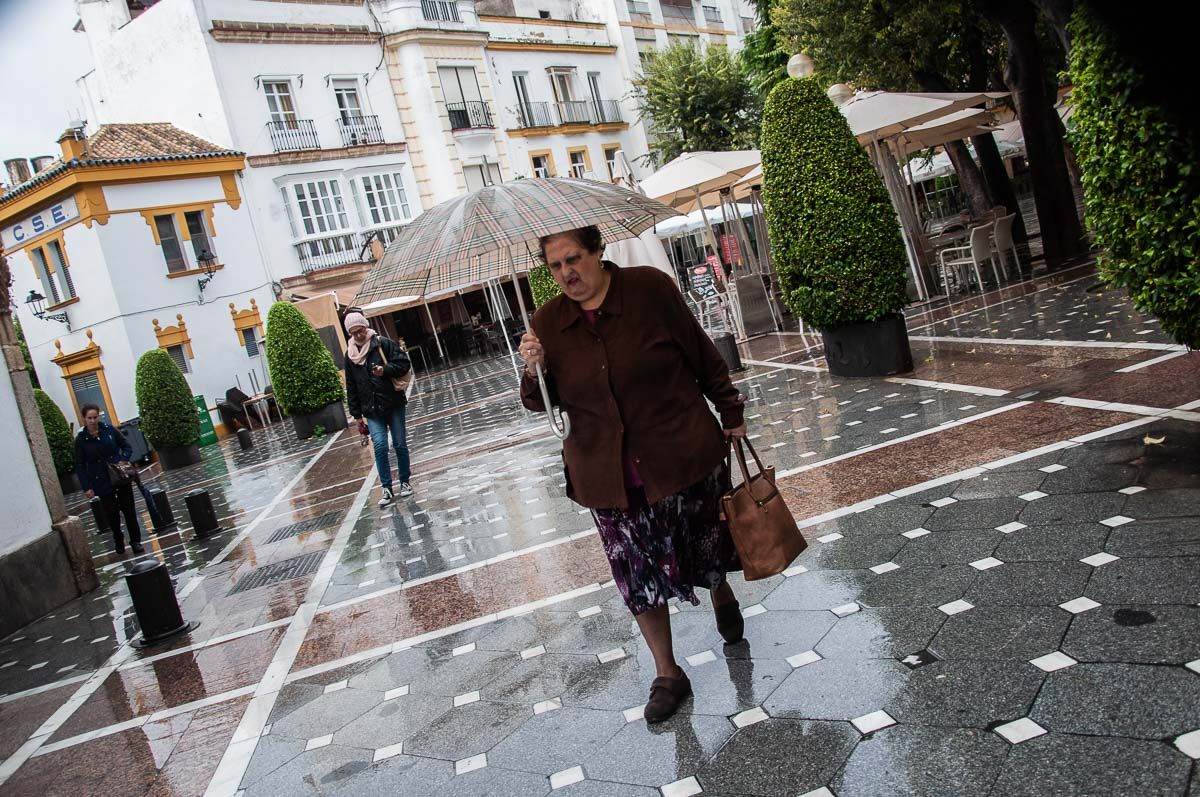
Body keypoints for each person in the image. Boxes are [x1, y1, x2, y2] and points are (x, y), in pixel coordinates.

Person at [519, 226, 748, 723]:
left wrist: (730, 411)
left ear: (599, 252)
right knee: (636, 575)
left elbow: (700, 353)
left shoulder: (650, 288)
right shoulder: (548, 322)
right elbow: (541, 401)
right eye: (555, 266)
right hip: (609, 476)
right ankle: (668, 672)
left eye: (574, 259)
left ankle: (720, 590)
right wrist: (531, 367)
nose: (566, 273)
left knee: (706, 546)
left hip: (680, 453)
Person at [344, 312, 414, 506]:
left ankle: (405, 482)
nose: (359, 335)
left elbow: (403, 363)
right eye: (354, 332)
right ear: (349, 334)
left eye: (361, 330)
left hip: (393, 403)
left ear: (366, 327)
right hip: (371, 409)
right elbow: (351, 386)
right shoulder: (349, 356)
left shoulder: (382, 343)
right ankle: (386, 488)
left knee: (399, 443)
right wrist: (356, 415)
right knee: (381, 446)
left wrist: (386, 370)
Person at [75, 404, 144, 556]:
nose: (93, 421)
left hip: (119, 476)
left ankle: (135, 541)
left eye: (95, 417)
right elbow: (80, 465)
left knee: (129, 511)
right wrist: (87, 487)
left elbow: (126, 446)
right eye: (89, 418)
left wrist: (122, 460)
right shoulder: (81, 440)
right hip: (101, 480)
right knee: (112, 514)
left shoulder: (109, 430)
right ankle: (118, 538)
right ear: (84, 419)